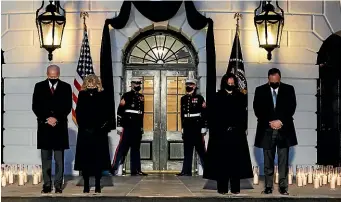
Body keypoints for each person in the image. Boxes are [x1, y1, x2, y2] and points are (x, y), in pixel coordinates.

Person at [203, 73, 253, 195]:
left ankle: (235, 187)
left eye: (232, 83)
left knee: (236, 162)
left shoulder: (240, 96)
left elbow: (243, 116)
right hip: (221, 135)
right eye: (228, 83)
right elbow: (212, 116)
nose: (230, 85)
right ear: (224, 83)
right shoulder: (216, 96)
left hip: (236, 135)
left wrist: (240, 128)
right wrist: (218, 129)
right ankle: (222, 188)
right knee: (222, 162)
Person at [253, 68, 297, 195]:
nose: (274, 84)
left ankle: (283, 187)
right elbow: (258, 110)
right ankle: (268, 186)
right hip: (266, 130)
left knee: (283, 160)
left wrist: (280, 121)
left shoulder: (289, 89)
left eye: (276, 82)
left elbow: (291, 107)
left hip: (284, 130)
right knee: (268, 161)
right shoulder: (260, 90)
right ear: (268, 79)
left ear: (280, 79)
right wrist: (271, 122)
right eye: (272, 82)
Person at [32, 65, 72, 194]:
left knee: (59, 160)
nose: (53, 78)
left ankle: (58, 185)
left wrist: (56, 119)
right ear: (47, 74)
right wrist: (47, 118)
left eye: (55, 76)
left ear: (59, 74)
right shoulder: (39, 86)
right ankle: (47, 184)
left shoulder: (66, 87)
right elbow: (35, 106)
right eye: (51, 76)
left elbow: (67, 106)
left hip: (59, 128)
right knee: (46, 159)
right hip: (45, 129)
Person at [74, 74, 111, 193]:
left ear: (97, 84)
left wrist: (100, 127)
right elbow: (78, 112)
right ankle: (86, 185)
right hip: (85, 132)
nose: (91, 86)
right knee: (85, 160)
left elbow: (107, 113)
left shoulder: (102, 95)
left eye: (93, 84)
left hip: (99, 133)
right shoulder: (82, 94)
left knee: (98, 160)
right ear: (86, 84)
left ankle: (98, 184)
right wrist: (84, 127)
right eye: (89, 84)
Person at [111, 78, 148, 176]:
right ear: (131, 84)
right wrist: (119, 125)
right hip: (127, 125)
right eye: (135, 83)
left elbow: (141, 114)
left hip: (136, 126)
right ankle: (114, 167)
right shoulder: (126, 95)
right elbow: (120, 111)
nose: (137, 85)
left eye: (139, 83)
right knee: (122, 147)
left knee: (136, 148)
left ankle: (136, 170)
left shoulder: (141, 97)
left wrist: (141, 127)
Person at [176, 79, 207, 176]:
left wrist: (204, 126)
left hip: (197, 126)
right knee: (187, 150)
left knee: (201, 151)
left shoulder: (199, 98)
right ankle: (186, 171)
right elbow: (182, 114)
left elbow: (204, 113)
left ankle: (208, 171)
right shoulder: (183, 98)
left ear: (194, 86)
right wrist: (182, 127)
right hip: (188, 126)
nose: (188, 86)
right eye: (187, 85)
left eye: (190, 84)